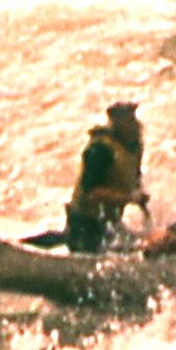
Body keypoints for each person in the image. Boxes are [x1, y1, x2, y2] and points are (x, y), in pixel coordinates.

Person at [63, 100, 149, 253]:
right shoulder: (101, 149)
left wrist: (141, 203)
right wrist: (129, 198)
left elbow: (135, 181)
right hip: (85, 226)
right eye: (128, 120)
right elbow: (92, 193)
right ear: (116, 123)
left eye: (133, 119)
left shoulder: (134, 148)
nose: (134, 125)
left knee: (144, 241)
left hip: (110, 223)